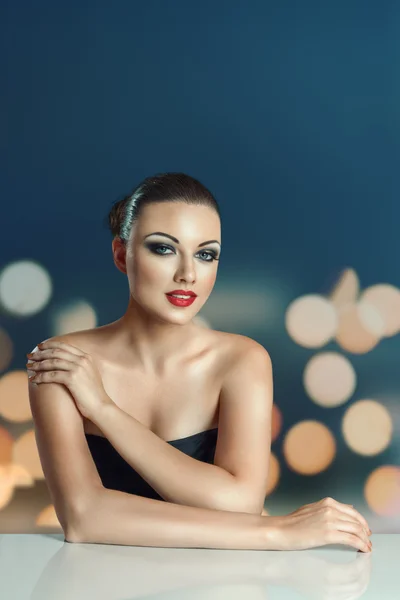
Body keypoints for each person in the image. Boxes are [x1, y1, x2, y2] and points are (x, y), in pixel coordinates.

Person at [27, 172, 372, 552]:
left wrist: (104, 410)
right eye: (163, 248)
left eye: (206, 254)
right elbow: (83, 518)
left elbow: (241, 505)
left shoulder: (241, 360)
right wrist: (277, 532)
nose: (188, 274)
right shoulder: (61, 362)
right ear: (122, 254)